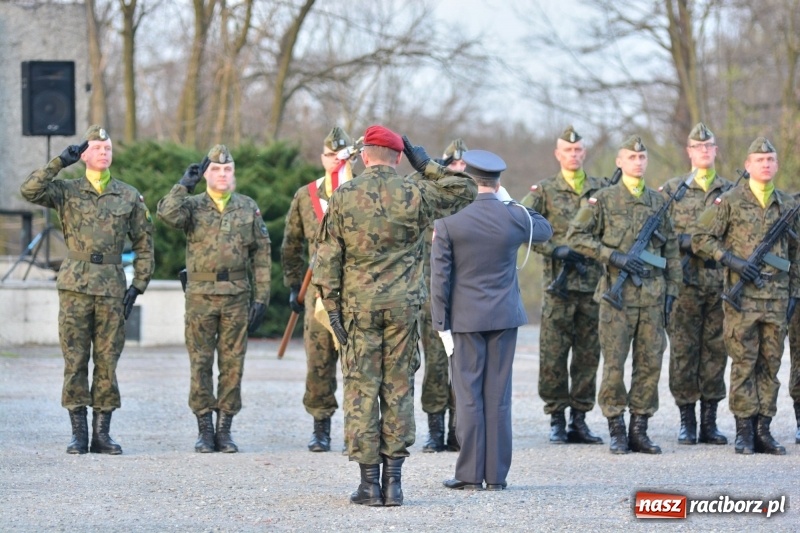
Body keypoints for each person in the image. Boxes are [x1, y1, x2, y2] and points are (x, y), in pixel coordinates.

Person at [312, 125, 477, 507]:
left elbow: (327, 259)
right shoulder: (416, 190)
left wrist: (333, 311)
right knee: (399, 388)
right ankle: (395, 484)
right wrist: (428, 164)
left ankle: (369, 484)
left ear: (366, 156)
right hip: (404, 307)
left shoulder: (343, 195)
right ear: (399, 157)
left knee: (361, 389)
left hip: (357, 308)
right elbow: (466, 191)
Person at [19, 125, 154, 455]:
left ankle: (102, 434)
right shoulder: (66, 190)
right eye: (97, 148)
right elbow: (29, 191)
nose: (104, 153)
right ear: (84, 155)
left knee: (108, 361)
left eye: (107, 148)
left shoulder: (128, 195)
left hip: (111, 287)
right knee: (75, 359)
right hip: (75, 286)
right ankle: (78, 433)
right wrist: (58, 163)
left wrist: (139, 284)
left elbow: (144, 242)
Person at [432, 150, 552, 491]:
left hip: (465, 320)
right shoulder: (513, 217)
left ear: (469, 180)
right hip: (503, 318)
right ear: (498, 183)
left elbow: (439, 279)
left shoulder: (449, 221)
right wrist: (510, 200)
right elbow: (544, 229)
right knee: (498, 396)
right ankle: (496, 476)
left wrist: (441, 324)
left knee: (468, 395)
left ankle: (469, 474)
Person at [567, 135, 680, 455]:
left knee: (649, 365)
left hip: (653, 297)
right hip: (617, 299)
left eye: (642, 157)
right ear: (619, 162)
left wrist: (673, 290)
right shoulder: (602, 200)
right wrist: (613, 257)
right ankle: (616, 427)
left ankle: (639, 429)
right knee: (614, 366)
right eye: (631, 157)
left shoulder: (659, 202)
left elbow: (670, 249)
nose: (638, 162)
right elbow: (576, 237)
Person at [157, 144, 271, 454]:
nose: (222, 174)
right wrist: (184, 184)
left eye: (228, 169)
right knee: (201, 362)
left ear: (233, 173)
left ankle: (225, 429)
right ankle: (204, 429)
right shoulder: (192, 206)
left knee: (233, 365)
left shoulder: (248, 207)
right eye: (216, 169)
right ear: (207, 173)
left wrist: (261, 297)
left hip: (236, 296)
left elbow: (261, 254)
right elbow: (167, 214)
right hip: (201, 297)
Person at [692, 137, 799, 455]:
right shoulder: (729, 201)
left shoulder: (787, 205)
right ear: (748, 165)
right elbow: (700, 239)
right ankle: (743, 430)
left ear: (776, 165)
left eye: (771, 160)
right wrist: (731, 260)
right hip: (743, 300)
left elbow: (795, 254)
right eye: (759, 160)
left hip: (777, 299)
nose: (766, 165)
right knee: (743, 363)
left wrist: (794, 293)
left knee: (770, 365)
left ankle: (763, 428)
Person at [521, 126, 604, 445]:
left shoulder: (599, 190)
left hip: (592, 285)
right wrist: (553, 248)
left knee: (588, 354)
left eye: (578, 150)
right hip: (557, 287)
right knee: (553, 355)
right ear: (558, 154)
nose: (573, 155)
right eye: (568, 150)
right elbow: (521, 224)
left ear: (584, 154)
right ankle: (556, 416)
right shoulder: (543, 191)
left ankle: (579, 419)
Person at [282, 127, 356, 453]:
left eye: (340, 156)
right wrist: (295, 284)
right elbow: (291, 244)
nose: (334, 161)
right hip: (317, 294)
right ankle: (320, 426)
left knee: (356, 362)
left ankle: (356, 428)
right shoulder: (306, 195)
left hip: (355, 291)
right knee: (318, 362)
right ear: (322, 157)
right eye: (329, 155)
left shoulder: (360, 193)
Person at [659, 123, 732, 446]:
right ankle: (687, 420)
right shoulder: (672, 191)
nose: (704, 151)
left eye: (709, 146)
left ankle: (709, 422)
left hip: (719, 285)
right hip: (684, 285)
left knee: (716, 351)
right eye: (697, 147)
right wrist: (686, 242)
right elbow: (658, 235)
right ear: (689, 151)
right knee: (684, 352)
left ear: (715, 150)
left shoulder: (730, 192)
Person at [420, 138, 468, 453]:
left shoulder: (474, 200)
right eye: (453, 166)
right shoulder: (430, 199)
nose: (459, 171)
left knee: (462, 367)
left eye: (464, 167)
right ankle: (435, 430)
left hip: (465, 296)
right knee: (435, 366)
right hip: (431, 295)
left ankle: (457, 431)